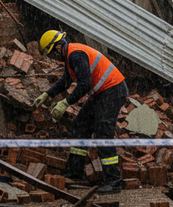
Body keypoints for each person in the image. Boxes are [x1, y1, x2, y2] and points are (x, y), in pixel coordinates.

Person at [33, 30, 128, 194]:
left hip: (113, 91)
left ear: (57, 48)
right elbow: (66, 80)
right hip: (102, 93)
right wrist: (48, 94)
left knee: (103, 134)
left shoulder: (75, 55)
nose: (53, 60)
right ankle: (75, 172)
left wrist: (65, 103)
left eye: (51, 56)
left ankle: (114, 181)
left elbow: (84, 84)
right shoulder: (70, 56)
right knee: (81, 124)